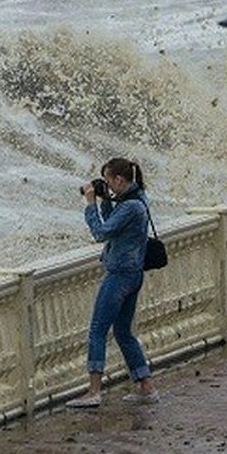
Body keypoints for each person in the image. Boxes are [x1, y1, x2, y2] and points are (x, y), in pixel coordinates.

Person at [66, 157, 158, 408]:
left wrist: (90, 204)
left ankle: (94, 391)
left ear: (119, 179)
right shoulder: (137, 199)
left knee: (97, 329)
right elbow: (113, 226)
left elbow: (101, 233)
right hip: (133, 273)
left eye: (108, 181)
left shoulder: (131, 207)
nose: (107, 184)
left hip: (119, 275)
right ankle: (146, 386)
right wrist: (106, 199)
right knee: (123, 332)